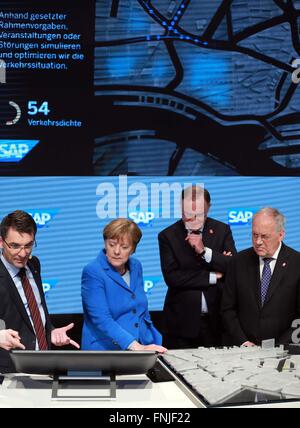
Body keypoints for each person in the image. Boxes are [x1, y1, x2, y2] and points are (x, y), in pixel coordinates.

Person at [0, 210, 80, 373]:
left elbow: (34, 311)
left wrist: (49, 331)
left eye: (28, 245)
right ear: (1, 242)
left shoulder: (33, 265)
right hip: (9, 373)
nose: (22, 253)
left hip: (43, 366)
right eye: (15, 246)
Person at [158, 185, 237, 349]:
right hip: (181, 324)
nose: (193, 219)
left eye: (199, 214)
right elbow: (173, 278)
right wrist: (214, 276)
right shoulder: (167, 236)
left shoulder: (222, 230)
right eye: (188, 214)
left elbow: (233, 267)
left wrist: (204, 251)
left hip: (217, 323)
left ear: (209, 208)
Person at [81, 218, 166, 353]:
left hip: (142, 345)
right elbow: (101, 319)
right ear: (105, 243)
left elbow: (141, 308)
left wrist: (151, 339)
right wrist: (135, 346)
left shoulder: (136, 266)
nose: (116, 251)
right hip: (106, 351)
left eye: (124, 247)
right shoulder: (93, 271)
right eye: (112, 244)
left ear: (133, 249)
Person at [222, 207, 300, 346]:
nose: (258, 242)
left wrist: (278, 347)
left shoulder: (297, 264)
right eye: (254, 235)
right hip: (243, 351)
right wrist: (243, 341)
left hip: (284, 352)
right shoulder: (238, 262)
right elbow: (228, 309)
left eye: (264, 236)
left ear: (281, 235)